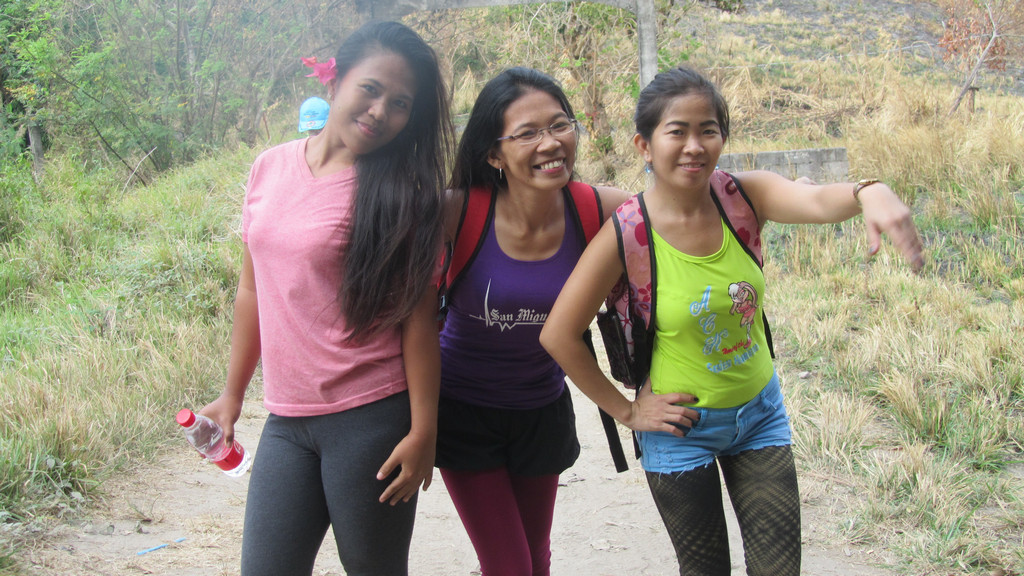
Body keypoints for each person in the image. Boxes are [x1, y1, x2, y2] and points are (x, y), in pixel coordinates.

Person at [540, 66, 924, 576]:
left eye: (708, 130)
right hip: (680, 432)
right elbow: (559, 335)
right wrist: (627, 411)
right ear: (644, 145)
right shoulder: (628, 232)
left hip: (759, 414)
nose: (694, 146)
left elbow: (814, 200)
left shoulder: (743, 197)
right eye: (677, 131)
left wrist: (868, 191)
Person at [198, 21, 453, 576]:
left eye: (401, 104)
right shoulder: (269, 167)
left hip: (370, 418)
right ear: (335, 81)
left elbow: (418, 323)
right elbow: (252, 289)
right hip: (287, 420)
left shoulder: (404, 196)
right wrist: (233, 395)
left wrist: (423, 432)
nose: (381, 111)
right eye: (371, 89)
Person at [436, 67, 630, 576]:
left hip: (541, 409)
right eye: (527, 133)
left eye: (560, 125)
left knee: (535, 560)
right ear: (493, 154)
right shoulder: (457, 213)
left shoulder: (599, 209)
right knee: (509, 566)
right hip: (463, 410)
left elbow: (682, 213)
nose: (551, 143)